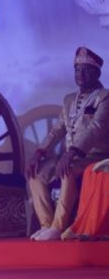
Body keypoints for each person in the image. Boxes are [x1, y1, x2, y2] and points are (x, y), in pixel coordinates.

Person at [27, 47, 108, 241]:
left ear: (97, 73)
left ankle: (58, 226)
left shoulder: (105, 98)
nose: (80, 74)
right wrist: (39, 152)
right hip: (71, 156)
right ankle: (47, 224)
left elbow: (95, 129)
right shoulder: (69, 99)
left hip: (94, 157)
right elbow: (57, 130)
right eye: (77, 69)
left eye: (86, 70)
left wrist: (71, 152)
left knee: (67, 170)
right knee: (36, 173)